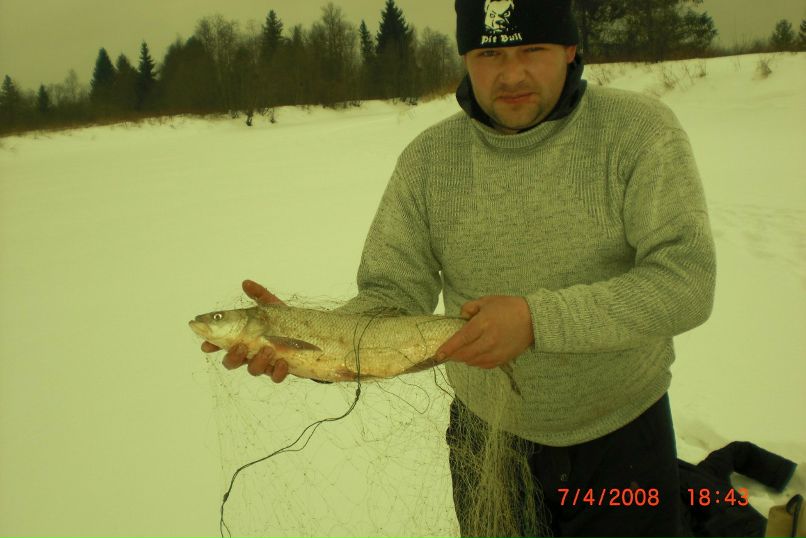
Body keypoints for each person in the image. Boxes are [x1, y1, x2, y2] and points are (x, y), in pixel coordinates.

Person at [201, 0, 716, 536]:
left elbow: (686, 282)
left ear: (570, 49)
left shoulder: (638, 132)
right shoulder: (428, 161)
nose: (511, 74)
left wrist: (536, 320)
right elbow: (390, 292)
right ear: (466, 57)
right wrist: (312, 338)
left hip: (622, 436)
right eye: (490, 53)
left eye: (532, 50)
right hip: (484, 438)